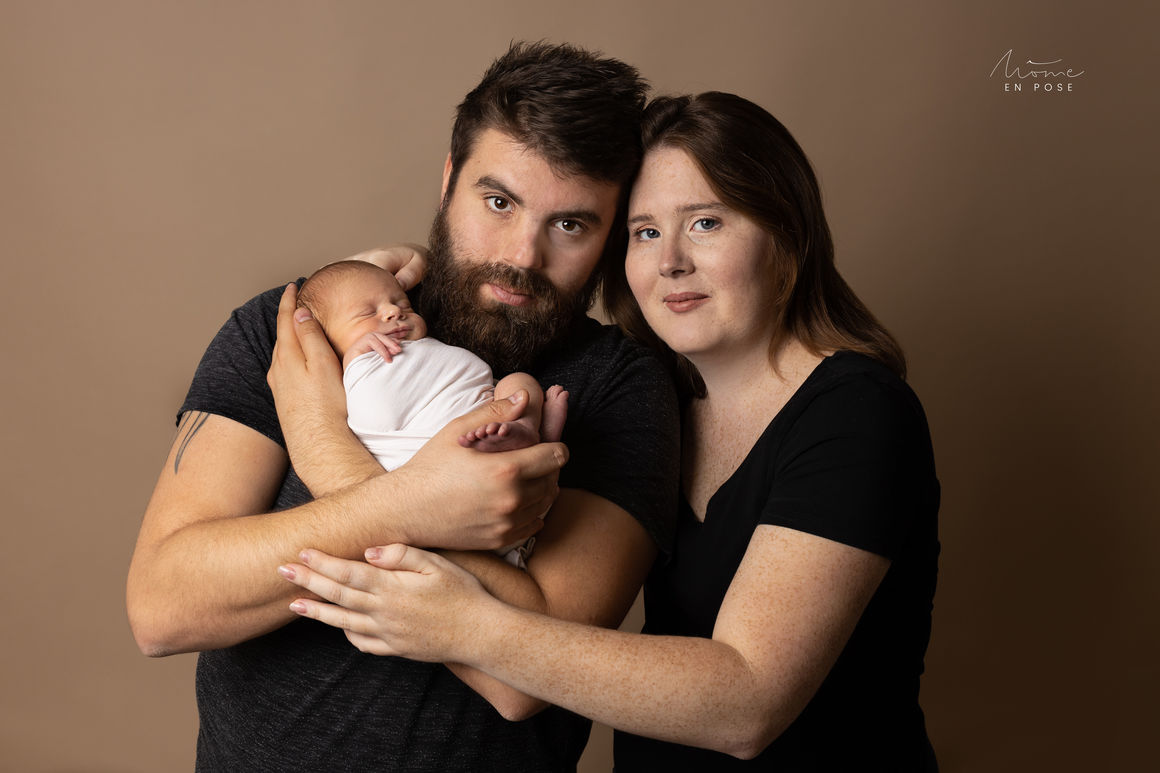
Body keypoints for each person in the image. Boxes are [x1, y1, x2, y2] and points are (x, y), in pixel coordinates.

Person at [279, 92, 942, 770]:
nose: (670, 262)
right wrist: (368, 299)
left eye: (706, 223)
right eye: (645, 232)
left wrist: (465, 622)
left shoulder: (857, 412)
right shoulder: (665, 394)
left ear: (786, 233)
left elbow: (747, 703)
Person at [127, 42, 680, 772]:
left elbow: (524, 681)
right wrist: (415, 505)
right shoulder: (299, 329)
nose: (522, 254)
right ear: (449, 179)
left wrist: (326, 446)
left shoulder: (619, 389)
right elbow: (164, 605)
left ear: (609, 236)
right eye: (499, 201)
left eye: (570, 224)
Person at [298, 258, 569, 565]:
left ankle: (530, 429)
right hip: (440, 485)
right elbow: (372, 415)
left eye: (402, 304)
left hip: (507, 464)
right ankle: (534, 435)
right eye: (367, 313)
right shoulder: (356, 372)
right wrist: (356, 355)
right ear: (326, 343)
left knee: (519, 384)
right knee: (516, 391)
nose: (394, 311)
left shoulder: (425, 345)